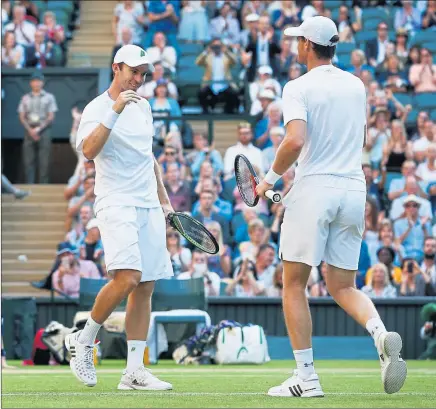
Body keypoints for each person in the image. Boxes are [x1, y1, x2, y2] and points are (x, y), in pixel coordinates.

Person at [255, 16, 407, 398]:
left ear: (307, 45)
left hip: (316, 188)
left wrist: (269, 181)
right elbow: (358, 136)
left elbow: (294, 142)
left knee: (293, 284)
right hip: (354, 189)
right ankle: (379, 334)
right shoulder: (356, 85)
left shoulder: (296, 87)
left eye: (298, 41)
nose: (295, 46)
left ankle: (306, 378)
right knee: (342, 285)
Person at [64, 44, 173, 391]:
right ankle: (83, 342)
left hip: (148, 205)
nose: (138, 80)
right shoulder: (97, 109)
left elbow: (149, 158)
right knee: (127, 277)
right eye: (133, 72)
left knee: (145, 286)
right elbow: (89, 151)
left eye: (142, 74)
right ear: (116, 67)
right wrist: (114, 111)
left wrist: (165, 203)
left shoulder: (144, 109)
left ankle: (134, 372)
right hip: (115, 202)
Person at [17, 71, 58, 184]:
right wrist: (30, 130)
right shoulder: (25, 98)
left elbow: (51, 116)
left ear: (42, 83)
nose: (36, 83)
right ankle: (29, 185)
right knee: (28, 159)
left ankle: (43, 185)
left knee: (44, 159)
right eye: (34, 81)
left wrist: (39, 129)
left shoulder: (49, 97)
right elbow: (22, 116)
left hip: (44, 129)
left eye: (39, 81)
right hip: (29, 129)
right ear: (31, 83)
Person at [196, 38, 239, 114]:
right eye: (214, 46)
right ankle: (205, 111)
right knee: (201, 93)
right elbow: (198, 62)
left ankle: (229, 111)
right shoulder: (208, 56)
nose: (216, 48)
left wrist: (227, 51)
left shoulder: (226, 57)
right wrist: (206, 51)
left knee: (234, 93)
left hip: (225, 83)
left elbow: (235, 61)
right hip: (210, 83)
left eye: (218, 46)